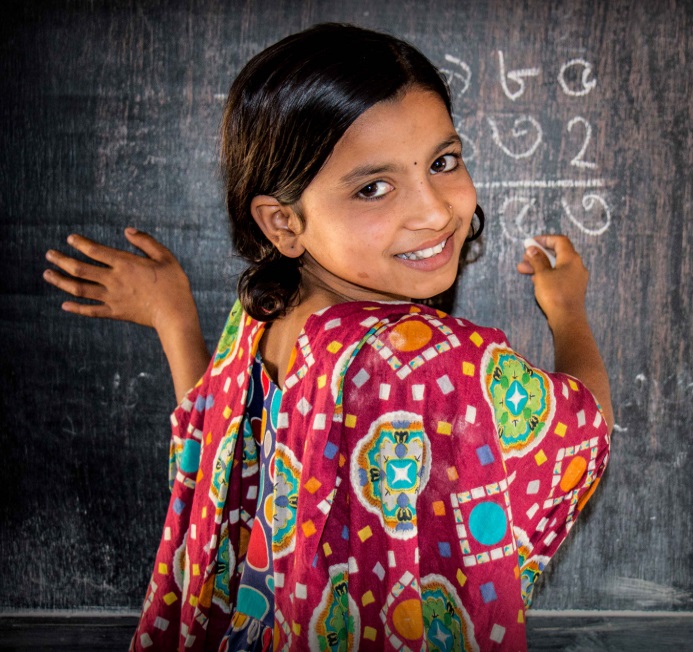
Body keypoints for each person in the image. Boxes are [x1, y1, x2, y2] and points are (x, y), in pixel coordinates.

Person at [44, 23, 612, 652]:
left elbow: (221, 455)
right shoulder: (430, 362)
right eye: (373, 188)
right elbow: (583, 428)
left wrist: (173, 316)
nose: (434, 211)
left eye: (443, 162)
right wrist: (568, 310)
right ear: (283, 224)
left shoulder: (265, 313)